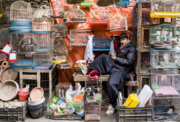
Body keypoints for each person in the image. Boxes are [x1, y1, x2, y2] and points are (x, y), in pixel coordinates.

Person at [80, 32, 136, 116]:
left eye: (124, 39)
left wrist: (116, 58)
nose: (122, 41)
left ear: (127, 39)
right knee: (103, 57)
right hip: (116, 65)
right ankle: (87, 69)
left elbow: (128, 61)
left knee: (111, 83)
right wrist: (113, 57)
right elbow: (118, 58)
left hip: (121, 70)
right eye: (121, 40)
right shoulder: (121, 46)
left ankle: (113, 104)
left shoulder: (131, 48)